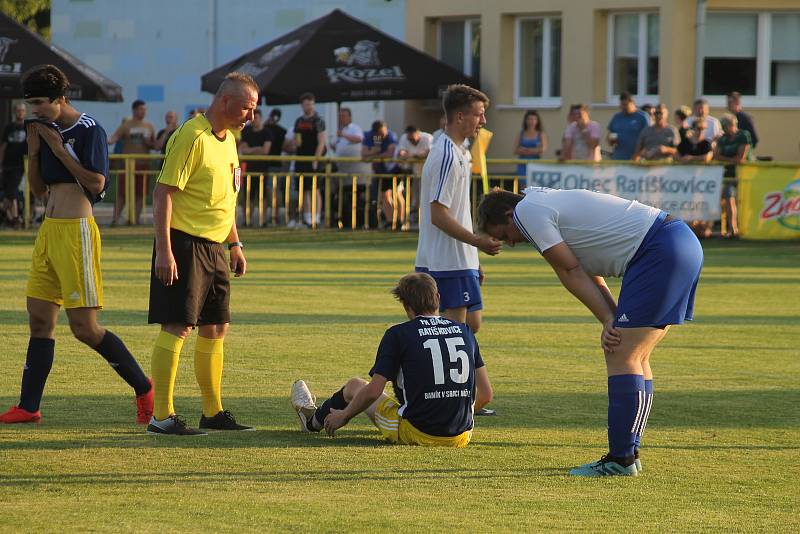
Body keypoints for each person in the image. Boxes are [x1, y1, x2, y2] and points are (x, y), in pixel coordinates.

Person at [477, 187, 703, 476]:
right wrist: (610, 318)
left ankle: (620, 459)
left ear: (510, 214)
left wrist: (609, 320)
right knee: (635, 355)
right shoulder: (542, 202)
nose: (508, 243)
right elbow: (584, 269)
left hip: (659, 249)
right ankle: (629, 452)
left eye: (503, 234)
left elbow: (570, 271)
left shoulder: (527, 212)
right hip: (677, 241)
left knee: (622, 353)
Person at [0, 65, 153, 425]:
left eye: (41, 103)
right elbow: (38, 190)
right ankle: (29, 406)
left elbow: (98, 184)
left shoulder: (88, 129)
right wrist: (36, 151)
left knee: (84, 328)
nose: (35, 110)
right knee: (39, 319)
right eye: (31, 104)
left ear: (60, 98)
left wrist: (59, 148)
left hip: (77, 233)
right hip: (49, 230)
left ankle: (145, 387)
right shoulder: (41, 130)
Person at [146, 72, 257, 436]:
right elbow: (163, 193)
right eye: (246, 107)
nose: (250, 116)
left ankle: (212, 412)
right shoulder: (191, 136)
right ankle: (162, 416)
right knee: (178, 325)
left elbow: (226, 198)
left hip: (216, 248)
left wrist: (235, 243)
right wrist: (164, 250)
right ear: (224, 101)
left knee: (216, 327)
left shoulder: (230, 141)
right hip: (184, 243)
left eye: (253, 109)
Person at [290, 272, 493, 447]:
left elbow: (374, 390)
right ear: (438, 298)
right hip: (462, 436)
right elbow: (485, 395)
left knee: (355, 385)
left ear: (406, 305)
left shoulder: (398, 334)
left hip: (416, 433)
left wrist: (344, 416)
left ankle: (311, 421)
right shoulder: (465, 331)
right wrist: (449, 416)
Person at [414, 84, 501, 336]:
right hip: (445, 260)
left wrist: (473, 257)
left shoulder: (461, 152)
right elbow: (438, 214)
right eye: (479, 114)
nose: (483, 121)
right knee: (452, 333)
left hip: (459, 258)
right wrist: (476, 242)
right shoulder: (446, 155)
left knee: (470, 325)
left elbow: (456, 211)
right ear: (460, 116)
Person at [107, 99, 156, 225]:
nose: (143, 112)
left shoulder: (149, 126)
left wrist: (148, 142)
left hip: (144, 164)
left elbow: (154, 145)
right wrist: (101, 139)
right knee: (122, 193)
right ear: (134, 110)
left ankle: (135, 219)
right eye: (141, 109)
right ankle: (115, 219)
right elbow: (114, 138)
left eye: (144, 110)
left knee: (140, 194)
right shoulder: (126, 125)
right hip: (128, 165)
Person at [713, 114, 752, 239]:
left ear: (732, 125)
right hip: (725, 175)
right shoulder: (723, 138)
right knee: (726, 197)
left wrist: (725, 159)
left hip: (741, 174)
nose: (723, 129)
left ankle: (734, 229)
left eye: (725, 126)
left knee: (731, 197)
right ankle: (728, 229)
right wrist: (730, 159)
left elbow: (740, 159)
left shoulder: (743, 135)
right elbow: (716, 156)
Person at [293, 93, 326, 227]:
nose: (309, 107)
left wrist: (316, 159)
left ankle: (316, 218)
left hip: (314, 159)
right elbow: (297, 140)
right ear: (302, 105)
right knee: (304, 189)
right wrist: (295, 143)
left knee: (315, 189)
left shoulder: (318, 120)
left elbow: (321, 142)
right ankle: (307, 218)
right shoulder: (299, 121)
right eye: (307, 104)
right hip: (301, 158)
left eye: (311, 104)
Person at [362, 119, 403, 228]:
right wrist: (374, 152)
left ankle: (401, 220)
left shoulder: (391, 136)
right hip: (381, 171)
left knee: (396, 194)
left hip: (395, 170)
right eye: (380, 133)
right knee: (384, 196)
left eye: (383, 131)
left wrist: (374, 156)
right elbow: (364, 155)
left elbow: (389, 154)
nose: (383, 134)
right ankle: (392, 221)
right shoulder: (373, 136)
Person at [238, 108, 273, 224]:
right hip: (249, 169)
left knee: (263, 196)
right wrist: (257, 148)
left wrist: (251, 150)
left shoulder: (267, 132)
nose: (254, 120)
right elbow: (244, 149)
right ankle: (247, 220)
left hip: (263, 169)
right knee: (249, 196)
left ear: (261, 118)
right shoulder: (247, 132)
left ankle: (263, 221)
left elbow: (265, 150)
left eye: (256, 117)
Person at [0, 102, 27, 227]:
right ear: (14, 112)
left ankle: (5, 213)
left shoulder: (27, 127)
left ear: (25, 112)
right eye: (18, 110)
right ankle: (14, 218)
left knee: (11, 189)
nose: (20, 113)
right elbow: (3, 147)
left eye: (22, 111)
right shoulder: (9, 127)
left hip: (20, 164)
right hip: (7, 164)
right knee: (11, 192)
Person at [607, 92, 651, 160]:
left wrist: (638, 154)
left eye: (625, 105)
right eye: (621, 105)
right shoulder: (617, 117)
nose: (623, 107)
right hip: (619, 157)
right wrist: (610, 139)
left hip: (637, 159)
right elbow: (610, 134)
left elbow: (648, 137)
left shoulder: (642, 117)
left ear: (632, 103)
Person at [513, 110, 547, 186]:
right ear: (525, 120)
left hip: (535, 163)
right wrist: (534, 150)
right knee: (523, 186)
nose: (531, 121)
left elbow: (543, 149)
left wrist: (527, 150)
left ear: (537, 121)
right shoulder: (521, 133)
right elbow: (515, 150)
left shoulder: (540, 134)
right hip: (522, 164)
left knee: (535, 185)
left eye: (534, 119)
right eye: (529, 119)